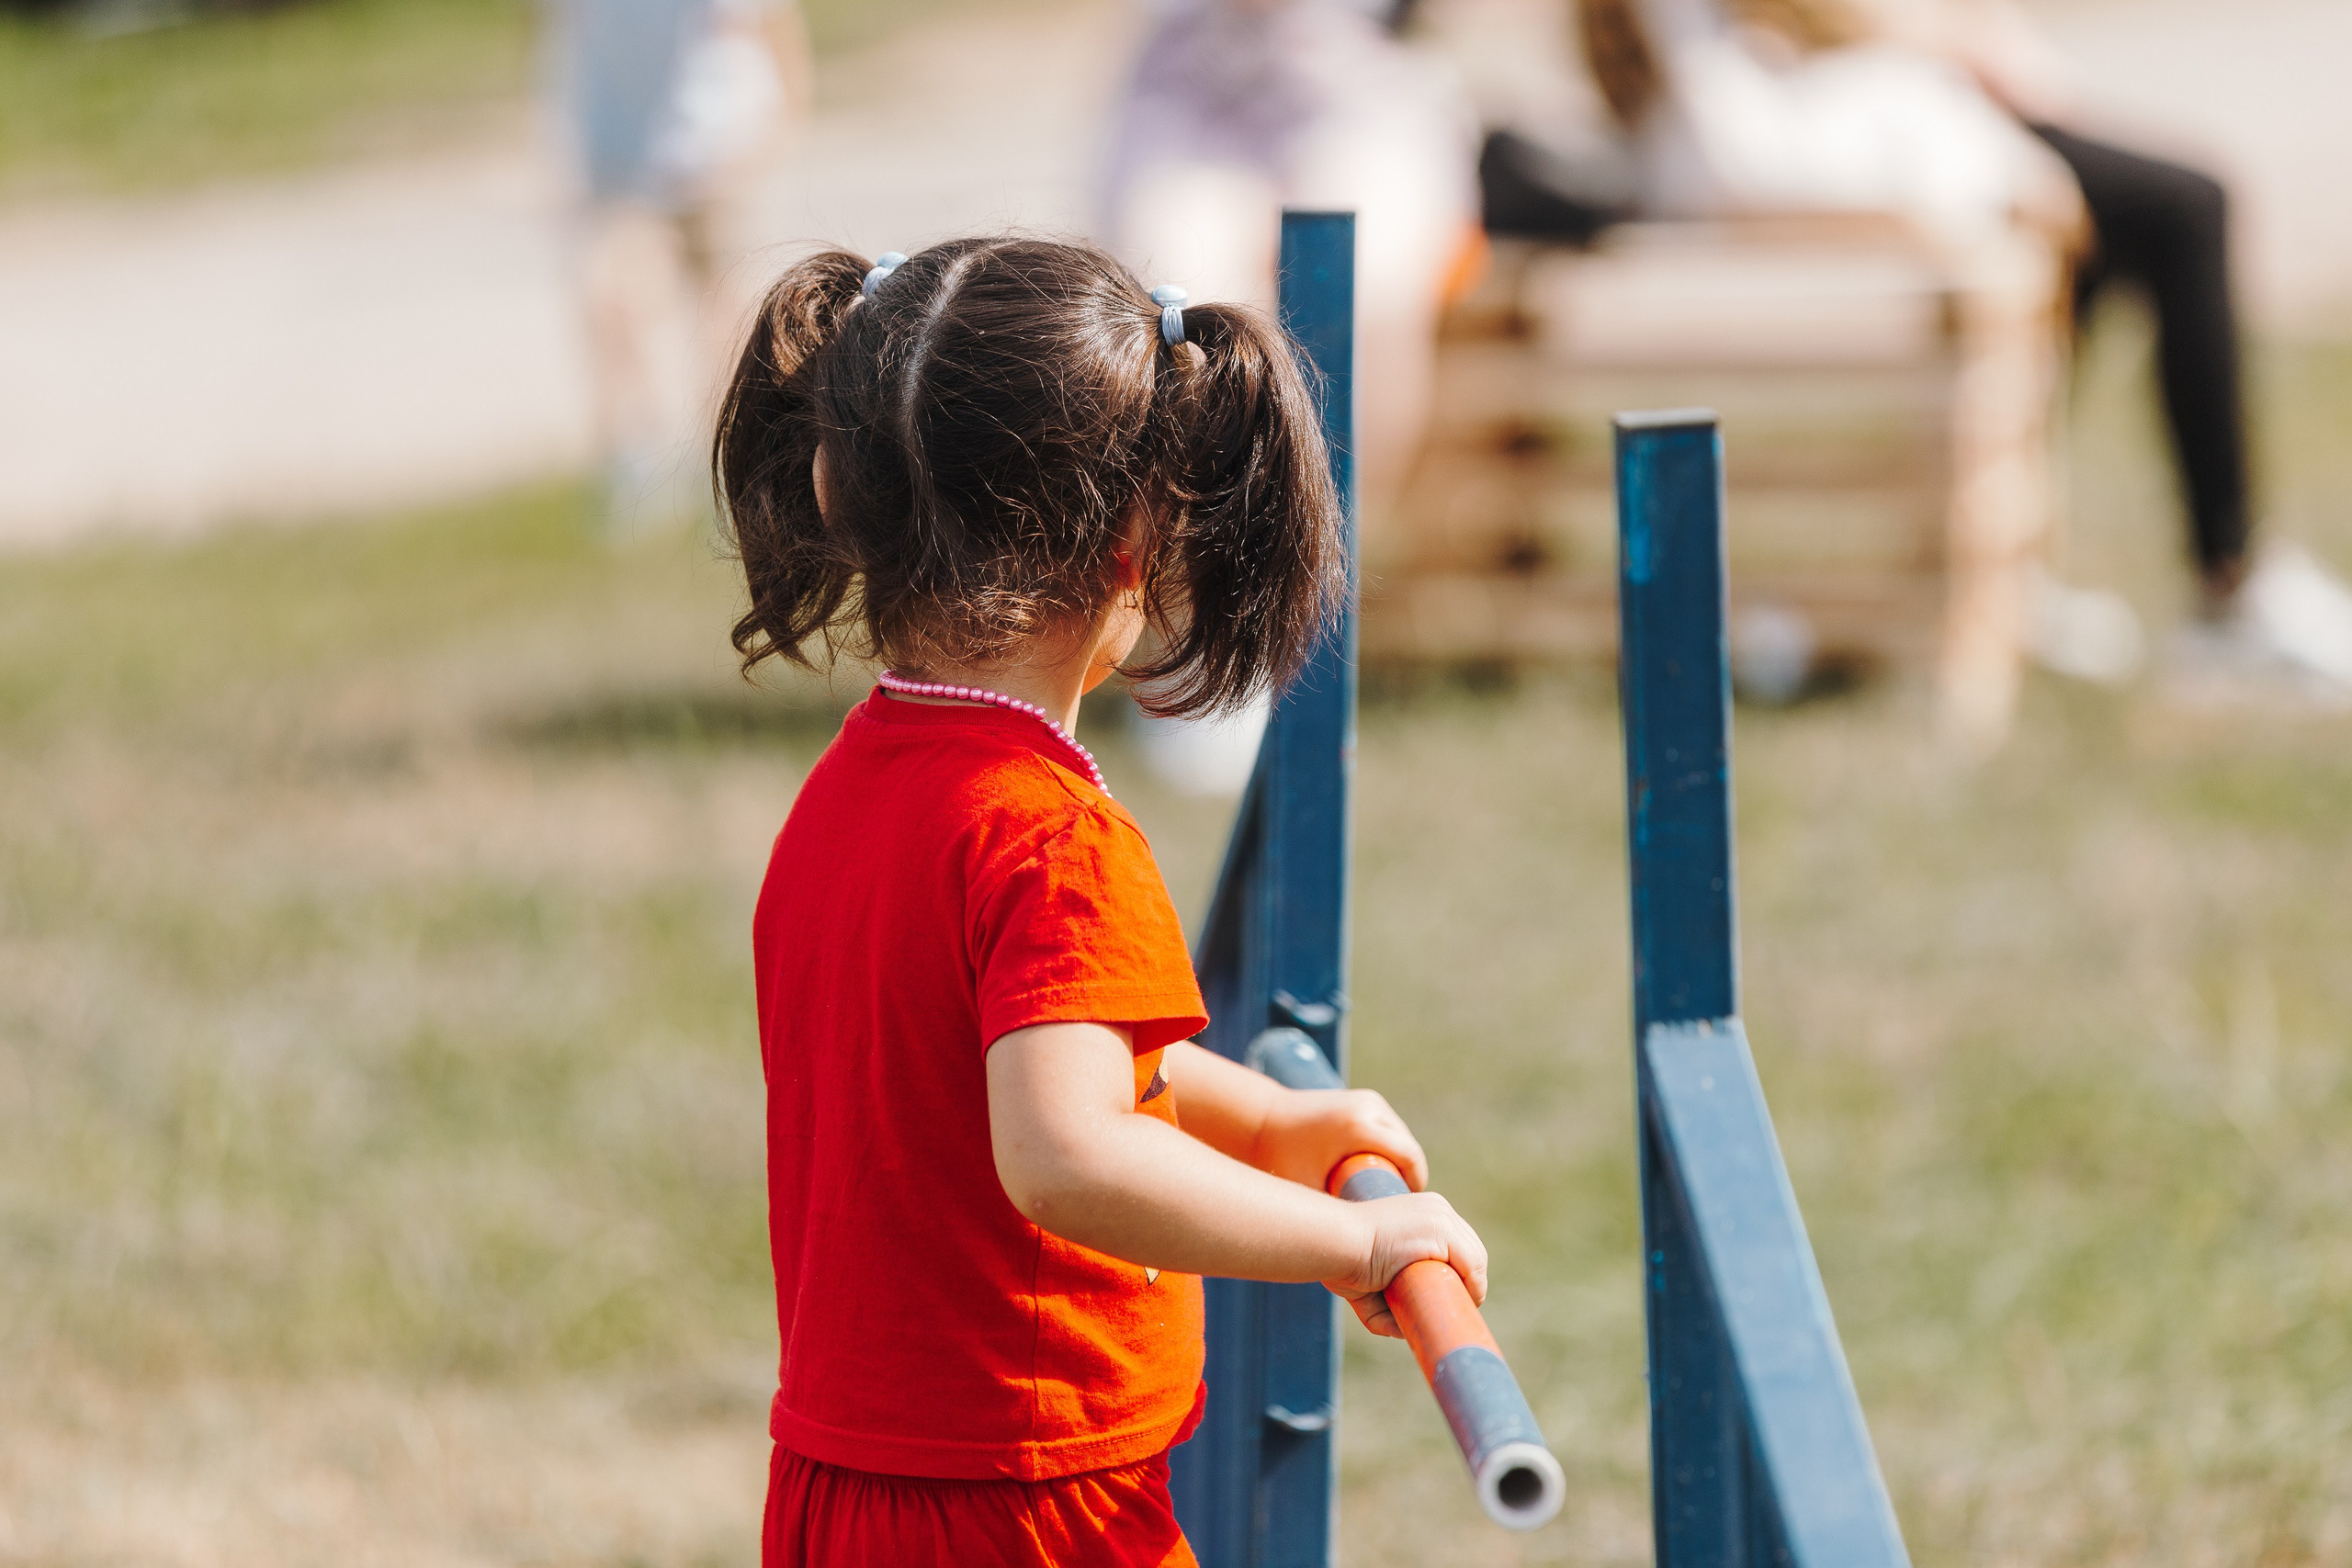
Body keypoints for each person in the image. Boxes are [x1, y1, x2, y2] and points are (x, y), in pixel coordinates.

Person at [713, 239, 1488, 1567]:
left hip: (847, 1488)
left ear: (846, 490)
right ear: (1136, 544)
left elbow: (1034, 1053)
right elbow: (1068, 1146)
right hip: (1022, 1505)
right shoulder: (1050, 832)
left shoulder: (855, 792)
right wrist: (1350, 1242)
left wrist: (1273, 1117)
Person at [1576, 0, 2352, 699]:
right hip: (1817, 147)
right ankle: (2227, 585)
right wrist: (1960, 49)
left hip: (1821, 124)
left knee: (2130, 219)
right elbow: (1816, 29)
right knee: (2180, 208)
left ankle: (2023, 572)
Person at [1099, 0, 1484, 792]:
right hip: (1193, 92)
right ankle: (1200, 621)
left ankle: (1303, 601)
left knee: (1357, 287)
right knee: (1177, 298)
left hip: (1367, 91)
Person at [552, 0, 811, 532]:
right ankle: (637, 464)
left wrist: (783, 117)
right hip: (622, 160)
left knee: (727, 318)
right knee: (613, 300)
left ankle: (732, 463)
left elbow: (771, 28)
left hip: (713, 145)